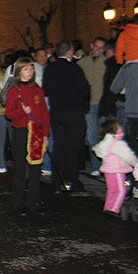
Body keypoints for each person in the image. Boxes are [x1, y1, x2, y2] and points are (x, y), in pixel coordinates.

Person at [42, 40, 90, 194]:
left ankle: (58, 181)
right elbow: (84, 90)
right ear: (70, 51)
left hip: (57, 112)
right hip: (73, 112)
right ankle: (72, 181)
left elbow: (46, 90)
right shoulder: (74, 68)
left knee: (59, 147)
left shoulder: (50, 69)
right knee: (72, 148)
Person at [5, 58, 50, 216]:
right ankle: (18, 202)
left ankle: (34, 200)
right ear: (19, 72)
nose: (29, 72)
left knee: (35, 168)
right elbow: (9, 113)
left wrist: (45, 134)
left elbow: (44, 113)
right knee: (20, 168)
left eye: (31, 69)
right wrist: (21, 112)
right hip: (21, 131)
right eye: (26, 69)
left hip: (36, 132)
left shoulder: (37, 89)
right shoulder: (14, 91)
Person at [92, 120, 138, 218]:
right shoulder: (118, 143)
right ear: (114, 130)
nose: (121, 127)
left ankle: (108, 207)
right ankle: (114, 209)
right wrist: (136, 163)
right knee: (121, 190)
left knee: (112, 190)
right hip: (117, 170)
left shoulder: (106, 142)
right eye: (119, 126)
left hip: (108, 170)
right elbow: (128, 156)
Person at [77, 37, 107, 176]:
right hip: (89, 104)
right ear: (91, 45)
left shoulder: (106, 62)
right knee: (92, 136)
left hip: (102, 104)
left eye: (101, 48)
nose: (97, 50)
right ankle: (96, 166)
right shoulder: (82, 63)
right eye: (96, 46)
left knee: (105, 136)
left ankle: (107, 165)